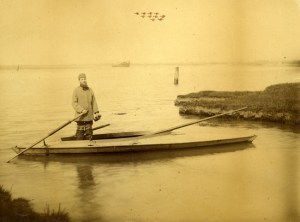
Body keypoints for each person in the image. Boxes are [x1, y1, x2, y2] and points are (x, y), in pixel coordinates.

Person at [72, 73, 101, 140]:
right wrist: (81, 110)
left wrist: (96, 112)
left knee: (89, 134)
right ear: (79, 80)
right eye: (82, 79)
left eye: (84, 79)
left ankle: (90, 146)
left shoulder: (90, 90)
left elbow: (94, 102)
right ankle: (79, 148)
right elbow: (74, 103)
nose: (84, 80)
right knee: (79, 134)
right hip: (80, 117)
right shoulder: (76, 90)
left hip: (89, 116)